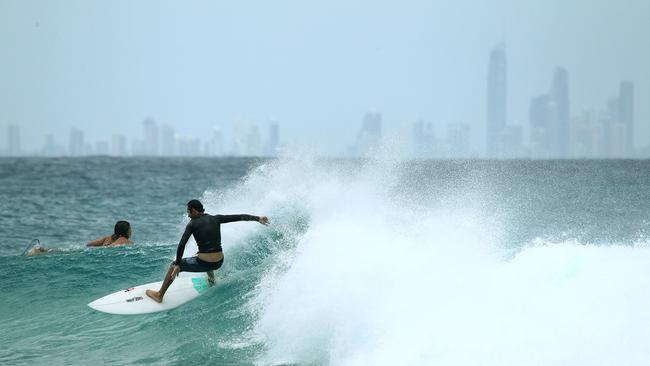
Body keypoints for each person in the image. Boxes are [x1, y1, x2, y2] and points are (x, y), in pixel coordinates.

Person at [145, 199, 269, 303]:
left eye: (188, 211)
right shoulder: (216, 218)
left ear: (193, 210)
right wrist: (258, 218)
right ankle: (212, 280)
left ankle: (159, 295)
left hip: (205, 263)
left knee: (174, 265)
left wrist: (177, 264)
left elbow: (182, 244)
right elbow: (239, 217)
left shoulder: (192, 224)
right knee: (201, 254)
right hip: (219, 262)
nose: (188, 215)